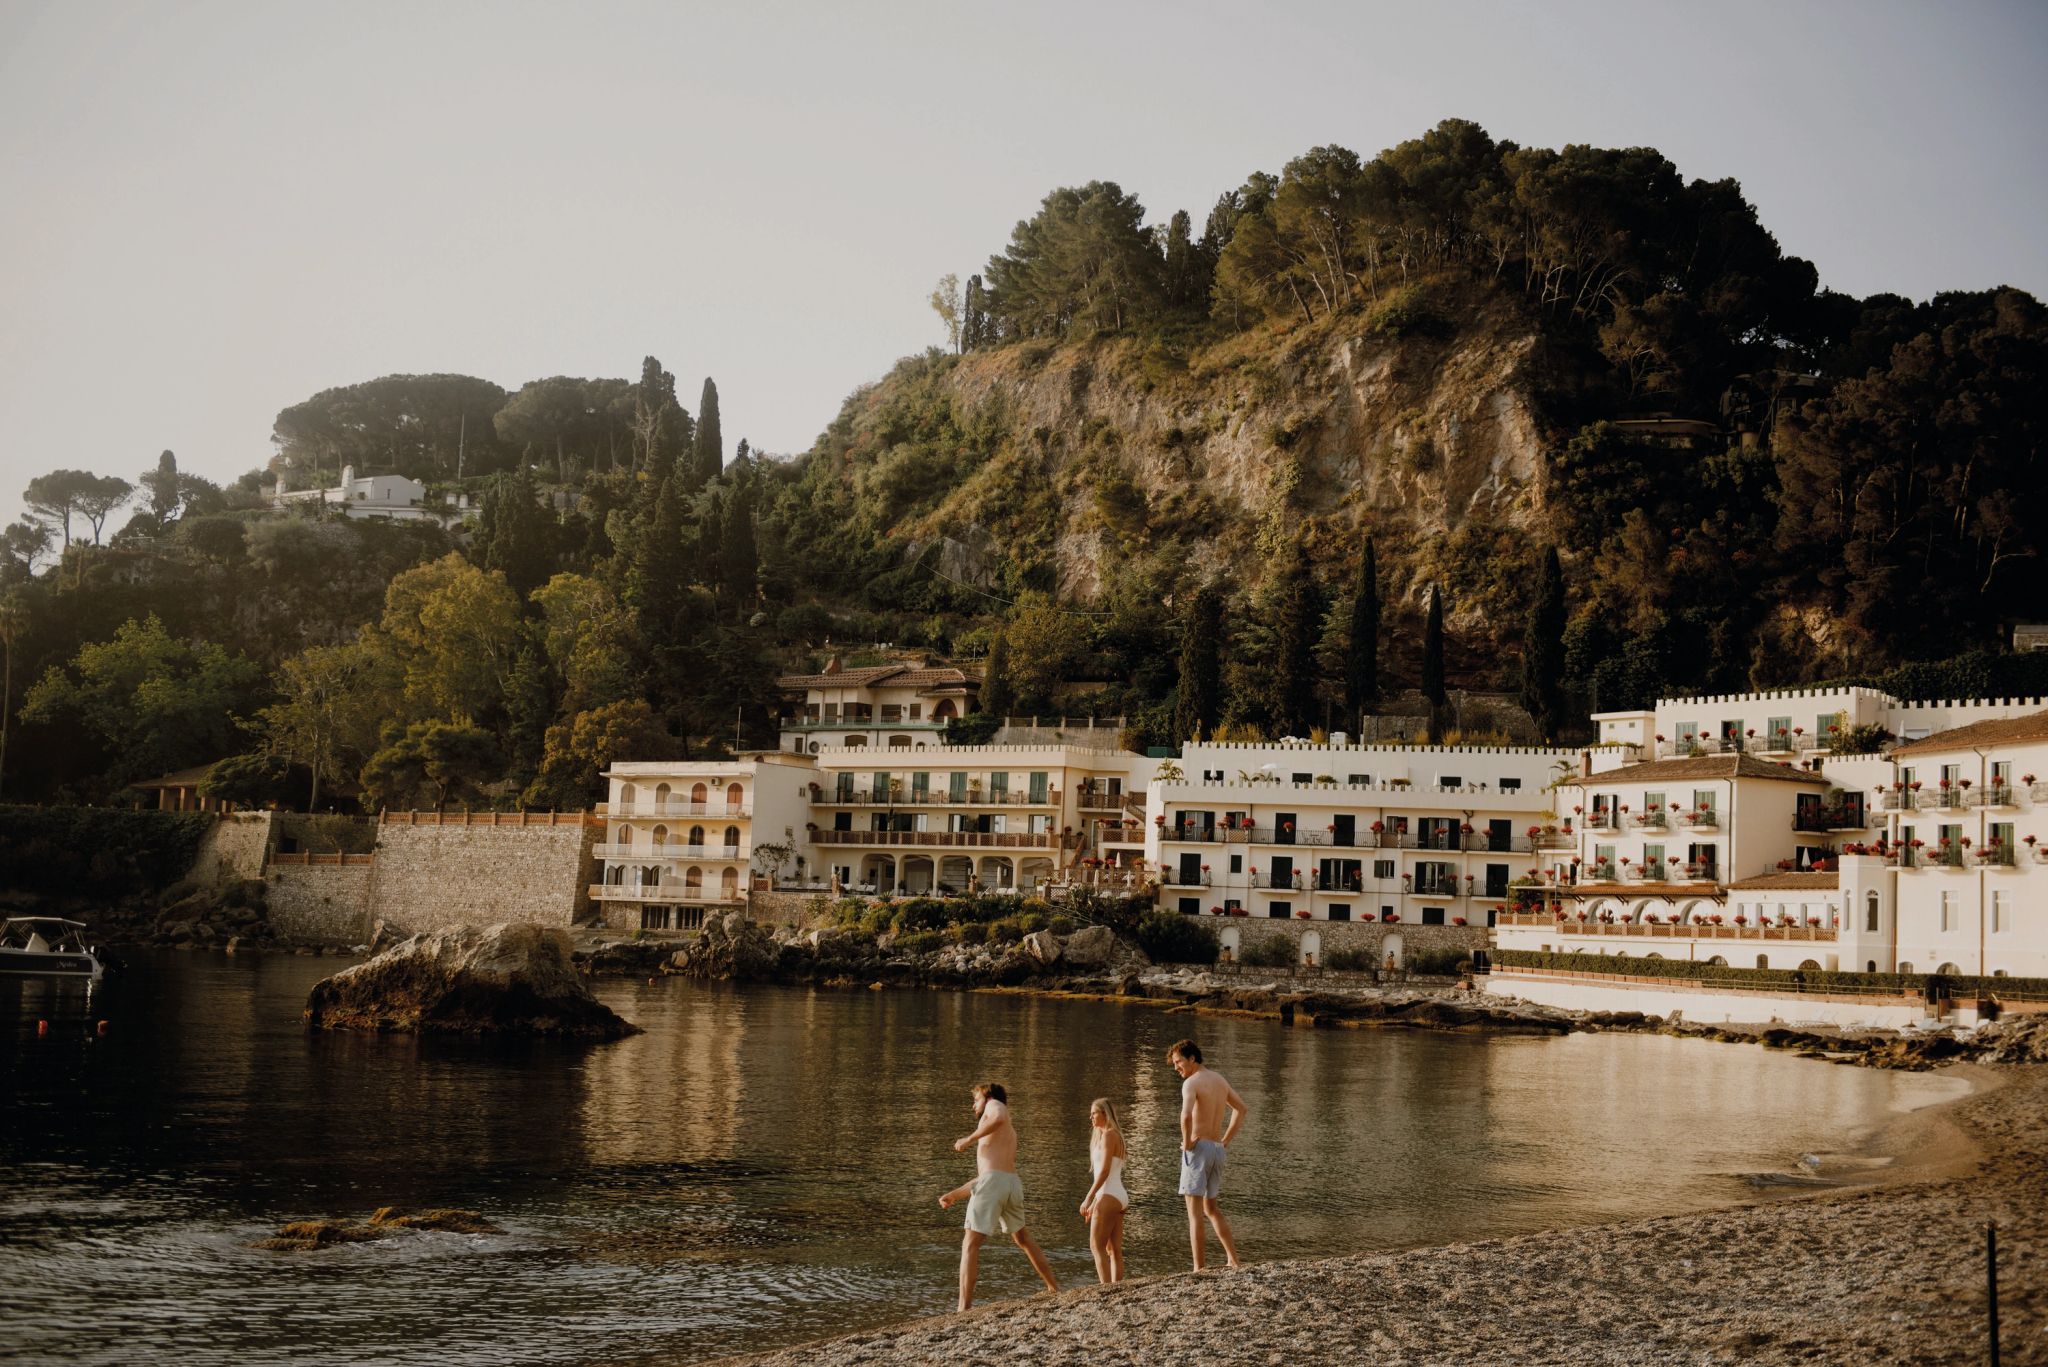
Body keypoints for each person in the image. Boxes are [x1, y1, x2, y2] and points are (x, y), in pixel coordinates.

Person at [937, 1082, 1060, 1311]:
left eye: (976, 1100)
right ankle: (1053, 1288)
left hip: (996, 1184)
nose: (974, 1105)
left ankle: (963, 1308)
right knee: (1022, 1238)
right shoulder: (1006, 1132)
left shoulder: (995, 1107)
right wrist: (955, 1194)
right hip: (1011, 1183)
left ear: (987, 1096)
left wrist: (969, 1139)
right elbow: (989, 1177)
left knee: (970, 1244)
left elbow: (999, 1116)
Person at [1168, 1037, 1247, 1270]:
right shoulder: (1219, 1080)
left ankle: (1198, 1268)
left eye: (1178, 1061)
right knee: (1211, 1209)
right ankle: (1233, 1259)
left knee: (1194, 1214)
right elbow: (1241, 1109)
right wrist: (1225, 1141)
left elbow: (1186, 1116)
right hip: (1216, 1149)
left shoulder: (1191, 1083)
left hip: (1199, 1149)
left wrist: (1187, 1143)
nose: (1176, 1067)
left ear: (1192, 1058)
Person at [1077, 1097, 1128, 1284]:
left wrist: (1089, 1198)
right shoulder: (1115, 1136)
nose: (1090, 1117)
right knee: (1113, 1249)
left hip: (1108, 1194)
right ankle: (1116, 1288)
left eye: (1093, 1113)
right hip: (1118, 1195)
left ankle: (1105, 1289)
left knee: (1095, 1246)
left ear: (1104, 1114)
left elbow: (1105, 1171)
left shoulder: (1109, 1135)